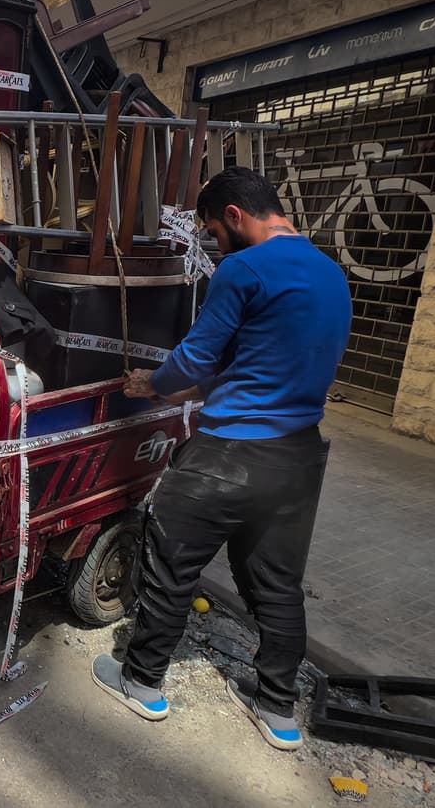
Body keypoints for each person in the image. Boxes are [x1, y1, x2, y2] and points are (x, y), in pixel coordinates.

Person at [90, 166, 352, 750]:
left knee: (171, 561)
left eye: (212, 230)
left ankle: (141, 682)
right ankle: (278, 711)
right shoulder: (331, 274)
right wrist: (185, 387)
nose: (213, 243)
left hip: (229, 454)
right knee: (278, 585)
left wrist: (154, 382)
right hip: (300, 458)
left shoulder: (243, 269)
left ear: (234, 216)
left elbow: (195, 360)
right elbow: (264, 366)